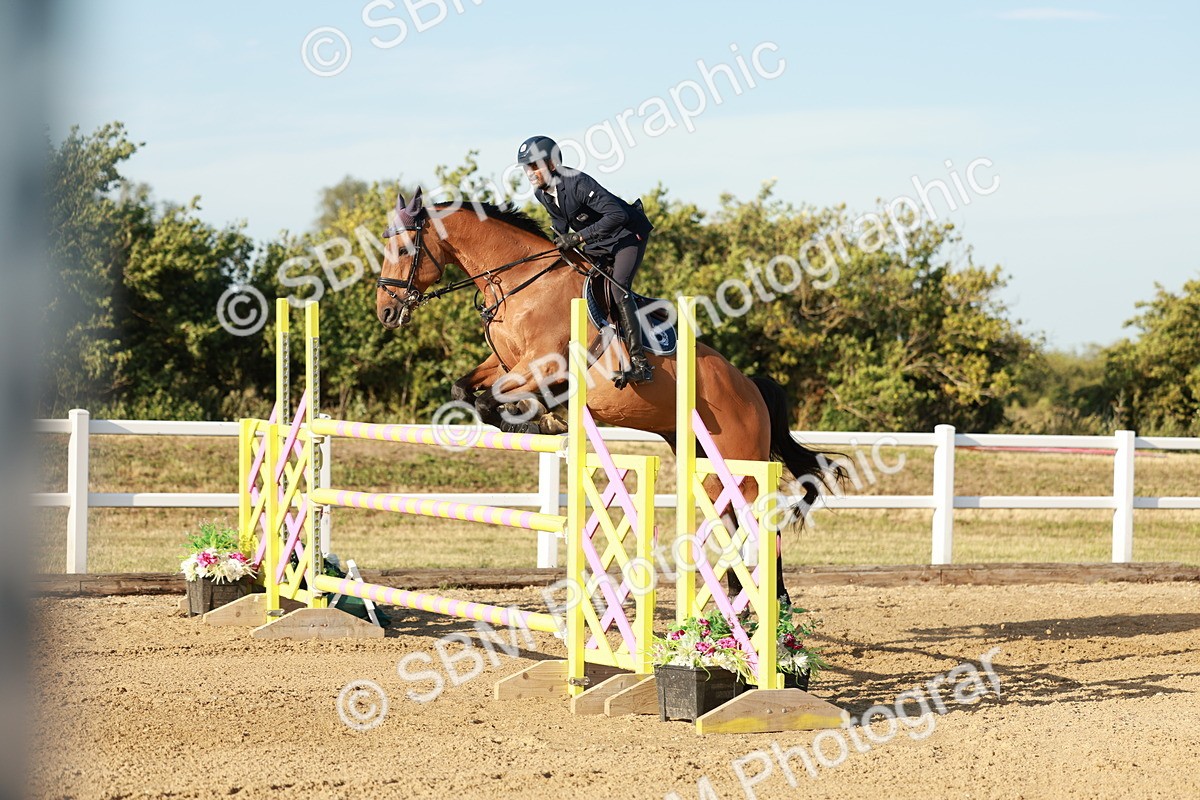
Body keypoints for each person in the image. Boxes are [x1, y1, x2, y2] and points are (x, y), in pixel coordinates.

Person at [516, 135, 655, 386]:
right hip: (599, 242)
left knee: (618, 288)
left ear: (552, 164)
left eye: (535, 166)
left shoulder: (577, 182)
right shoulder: (542, 194)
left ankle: (640, 364)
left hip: (627, 236)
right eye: (528, 168)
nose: (530, 173)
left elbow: (617, 215)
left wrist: (579, 237)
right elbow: (559, 226)